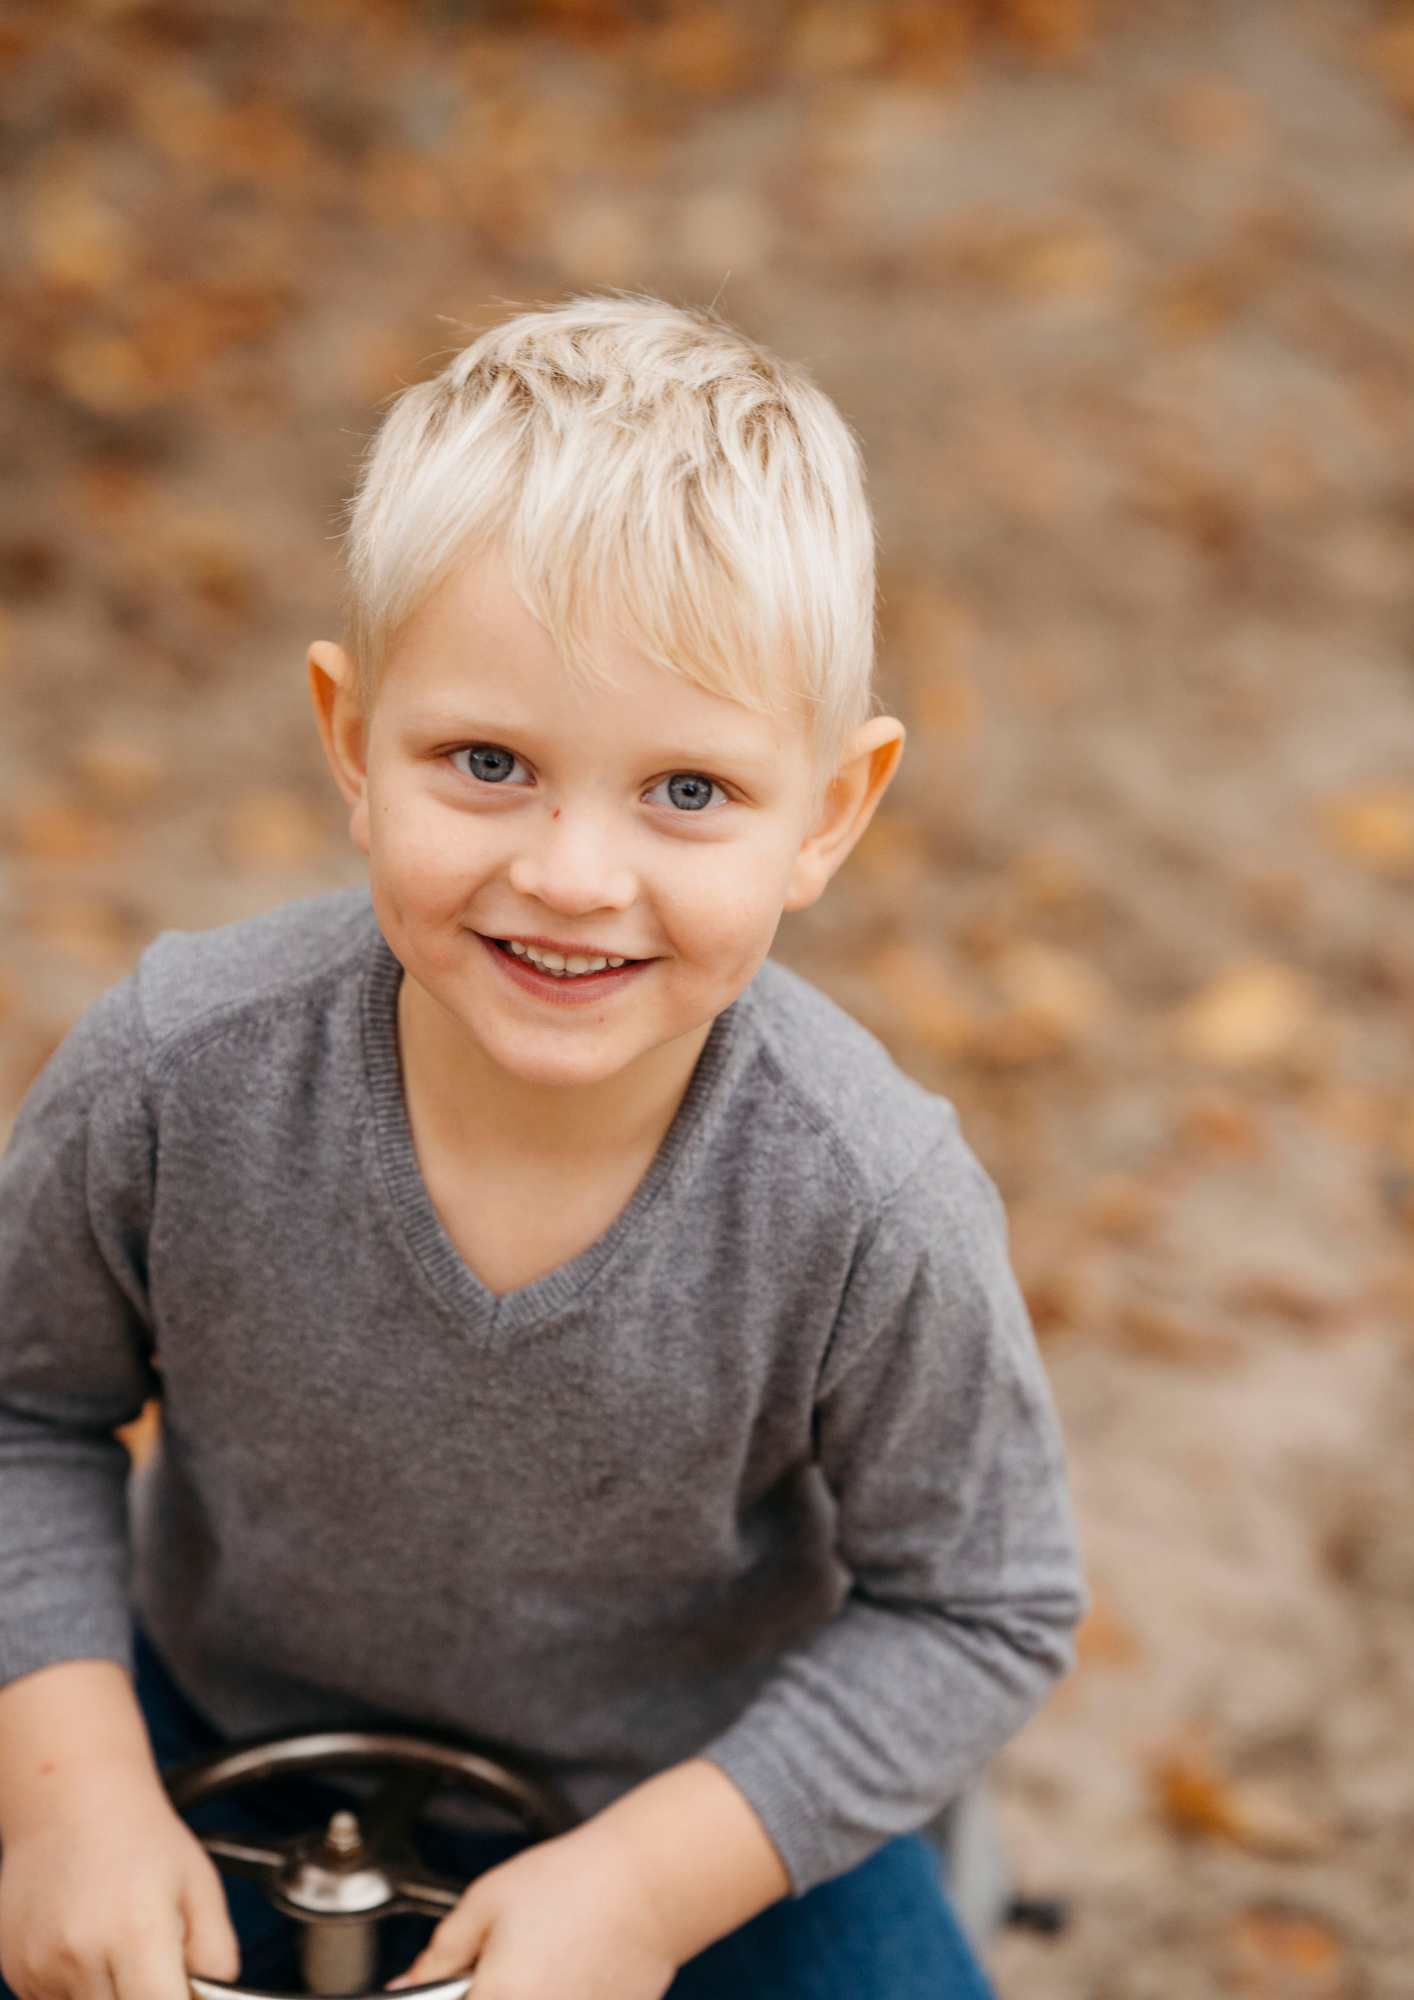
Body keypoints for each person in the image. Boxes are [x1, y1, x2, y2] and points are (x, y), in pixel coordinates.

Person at [0, 296, 1084, 2000]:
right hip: (210, 1724)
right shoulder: (176, 1080)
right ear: (352, 740)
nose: (574, 876)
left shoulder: (866, 1207)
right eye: (488, 762)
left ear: (829, 810)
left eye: (687, 791)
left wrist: (649, 1893)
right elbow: (24, 1407)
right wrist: (69, 1796)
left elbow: (980, 1606)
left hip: (693, 1804)